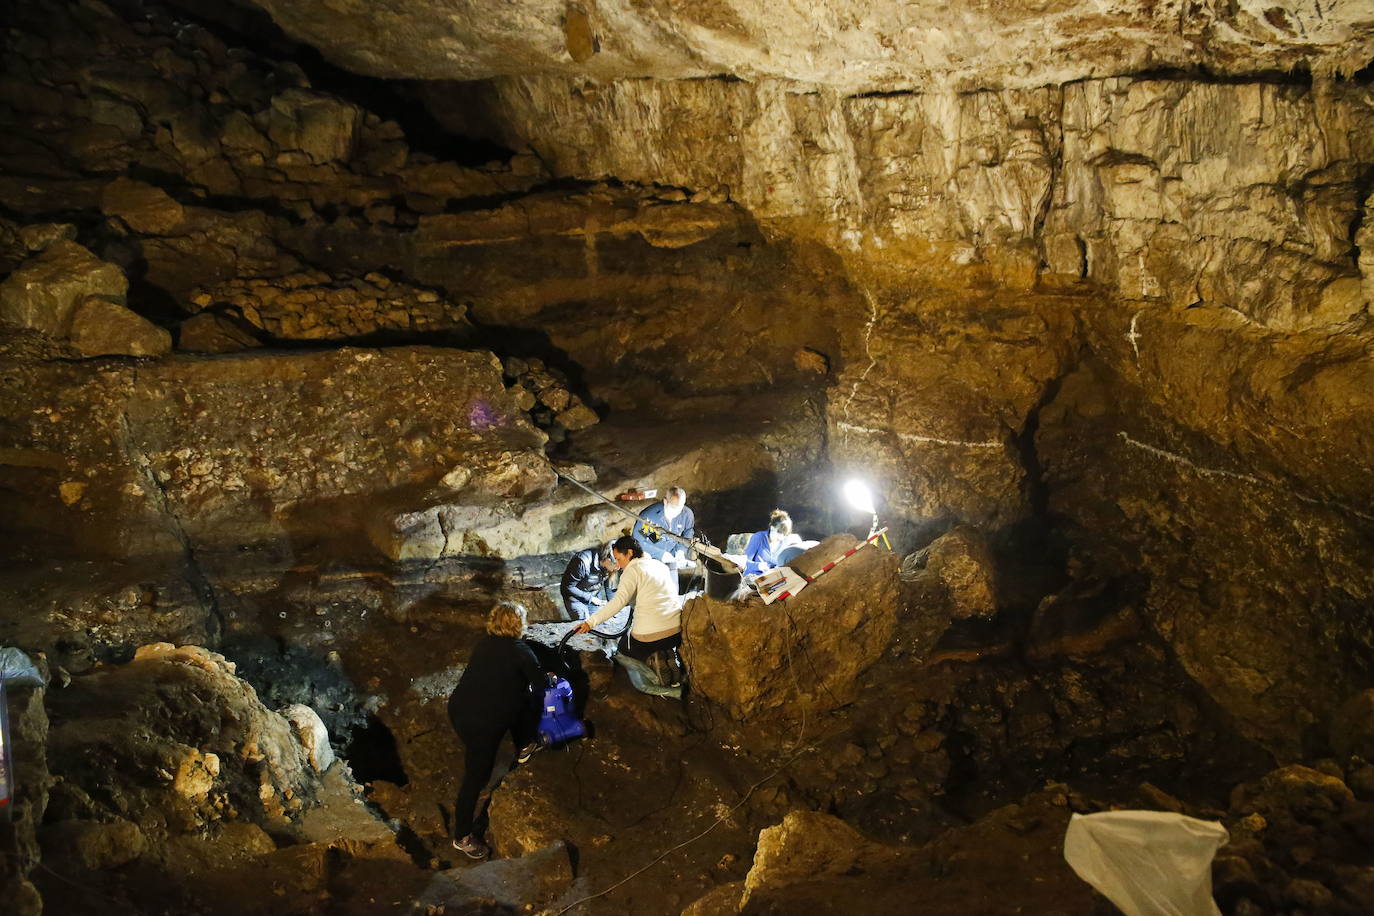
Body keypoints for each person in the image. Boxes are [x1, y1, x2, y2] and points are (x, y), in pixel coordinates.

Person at [447, 601, 547, 859]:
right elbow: (539, 689)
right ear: (519, 625)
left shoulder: (483, 645)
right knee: (475, 778)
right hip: (484, 722)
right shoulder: (523, 652)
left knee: (478, 752)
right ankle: (462, 837)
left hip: (459, 710)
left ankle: (521, 743)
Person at [572, 534, 682, 666]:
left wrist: (590, 623)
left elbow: (618, 602)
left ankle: (652, 669)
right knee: (653, 641)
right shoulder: (660, 566)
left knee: (623, 649)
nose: (617, 564)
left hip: (650, 638)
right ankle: (665, 655)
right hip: (675, 633)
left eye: (619, 559)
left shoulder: (632, 571)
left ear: (629, 553)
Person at [637, 486, 695, 565]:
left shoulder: (687, 514)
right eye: (673, 507)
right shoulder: (649, 516)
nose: (676, 511)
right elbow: (638, 541)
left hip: (672, 557)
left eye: (680, 508)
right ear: (665, 501)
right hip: (650, 558)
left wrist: (680, 550)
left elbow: (688, 532)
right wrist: (660, 554)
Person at [560, 540, 616, 620]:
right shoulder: (582, 561)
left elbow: (609, 585)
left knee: (597, 623)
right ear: (608, 559)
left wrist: (613, 604)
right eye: (617, 563)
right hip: (576, 599)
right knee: (583, 625)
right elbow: (567, 587)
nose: (619, 567)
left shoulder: (608, 566)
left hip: (594, 595)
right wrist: (591, 599)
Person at [744, 509, 792, 577]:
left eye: (785, 535)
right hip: (753, 577)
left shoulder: (784, 542)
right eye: (779, 533)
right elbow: (745, 562)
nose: (781, 537)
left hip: (772, 578)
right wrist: (758, 566)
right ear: (772, 528)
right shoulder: (759, 537)